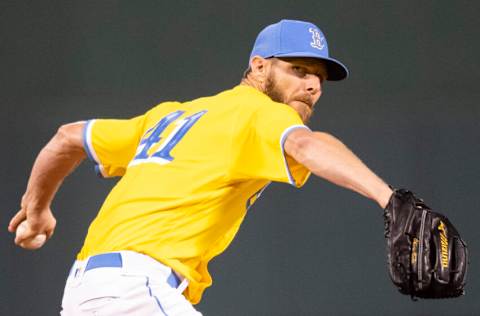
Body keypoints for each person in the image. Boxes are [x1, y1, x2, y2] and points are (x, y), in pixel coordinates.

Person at [8, 19, 393, 315]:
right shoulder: (259, 112)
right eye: (299, 69)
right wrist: (388, 198)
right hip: (133, 292)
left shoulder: (171, 116)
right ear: (258, 67)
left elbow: (68, 138)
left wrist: (37, 209)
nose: (313, 86)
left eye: (319, 77)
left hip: (88, 292)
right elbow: (307, 144)